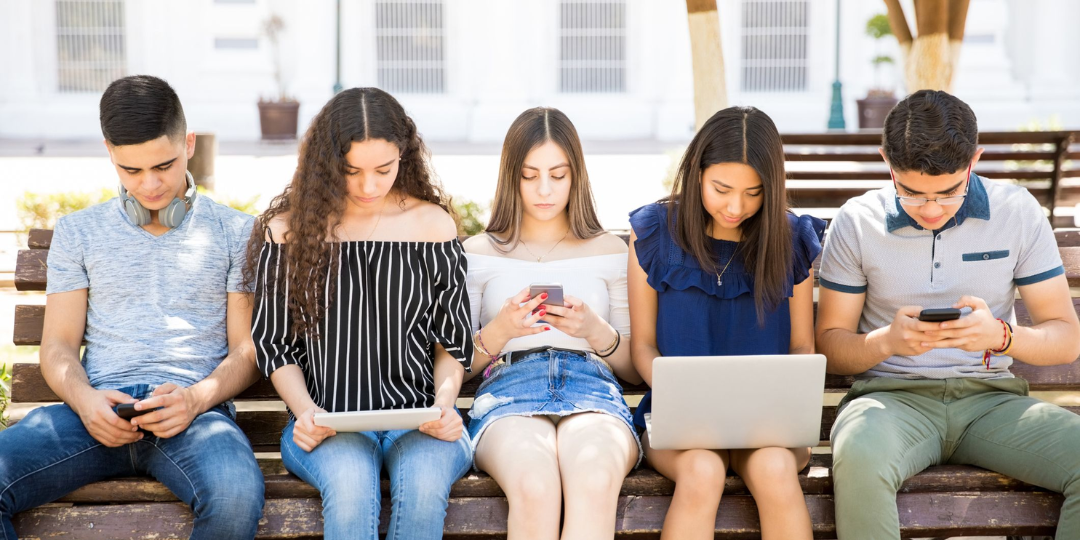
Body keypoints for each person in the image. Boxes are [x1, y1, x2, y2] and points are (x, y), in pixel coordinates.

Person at [0, 75, 265, 540]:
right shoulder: (79, 232)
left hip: (193, 416)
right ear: (109, 152)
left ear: (189, 144)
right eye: (131, 170)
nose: (150, 184)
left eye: (164, 165)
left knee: (235, 496)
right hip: (95, 412)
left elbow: (246, 351)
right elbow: (58, 346)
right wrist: (86, 401)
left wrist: (195, 399)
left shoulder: (236, 232)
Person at [816, 89, 1080, 540]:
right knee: (859, 454)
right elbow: (831, 344)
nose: (932, 209)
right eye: (911, 193)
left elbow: (1066, 338)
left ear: (975, 160)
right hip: (890, 404)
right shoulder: (857, 221)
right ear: (886, 161)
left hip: (992, 403)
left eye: (949, 192)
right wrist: (886, 342)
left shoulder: (1016, 212)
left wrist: (1000, 336)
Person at [247, 87, 474, 540]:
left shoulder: (432, 226)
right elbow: (274, 344)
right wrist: (306, 413)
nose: (369, 187)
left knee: (423, 489)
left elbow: (453, 341)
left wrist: (444, 405)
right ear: (327, 164)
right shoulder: (288, 231)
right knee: (351, 491)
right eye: (351, 171)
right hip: (325, 422)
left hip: (420, 419)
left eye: (384, 170)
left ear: (403, 156)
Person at [627, 106, 823, 540]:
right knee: (702, 470)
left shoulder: (791, 239)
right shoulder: (656, 232)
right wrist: (684, 396)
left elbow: (801, 347)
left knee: (775, 468)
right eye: (721, 189)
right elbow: (642, 345)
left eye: (754, 193)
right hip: (682, 423)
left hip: (769, 426)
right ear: (697, 172)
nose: (736, 206)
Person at [462, 107, 641, 540]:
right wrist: (500, 331)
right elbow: (455, 367)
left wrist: (594, 331)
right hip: (508, 389)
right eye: (530, 176)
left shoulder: (610, 250)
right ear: (512, 177)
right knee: (535, 485)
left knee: (595, 478)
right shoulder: (478, 252)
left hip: (593, 388)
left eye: (558, 175)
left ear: (576, 176)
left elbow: (635, 370)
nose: (544, 189)